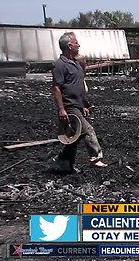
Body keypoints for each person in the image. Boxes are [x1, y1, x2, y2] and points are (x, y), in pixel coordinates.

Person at [50, 32, 107, 173]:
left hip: (78, 105)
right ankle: (96, 158)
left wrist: (84, 105)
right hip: (69, 106)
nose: (78, 45)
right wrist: (61, 109)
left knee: (74, 137)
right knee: (87, 130)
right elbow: (56, 88)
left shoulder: (75, 64)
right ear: (69, 46)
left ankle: (63, 161)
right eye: (76, 43)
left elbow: (79, 86)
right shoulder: (59, 65)